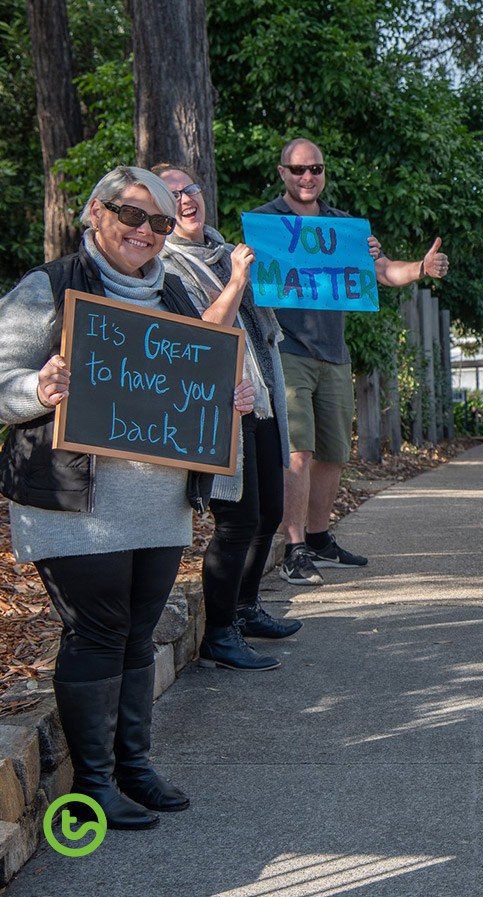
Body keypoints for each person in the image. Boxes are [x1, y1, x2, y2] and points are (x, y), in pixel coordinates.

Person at [0, 167, 254, 829]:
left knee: (138, 632)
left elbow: (197, 382)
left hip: (157, 501)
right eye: (131, 215)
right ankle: (94, 784)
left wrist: (232, 399)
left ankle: (133, 768)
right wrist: (40, 390)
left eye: (160, 222)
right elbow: (3, 383)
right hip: (73, 502)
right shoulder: (49, 287)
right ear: (94, 212)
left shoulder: (172, 293)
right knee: (99, 630)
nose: (145, 230)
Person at [251, 138, 450, 586]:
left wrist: (421, 267)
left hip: (334, 354)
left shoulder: (343, 227)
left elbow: (382, 272)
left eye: (315, 169)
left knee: (334, 454)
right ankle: (294, 548)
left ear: (324, 174)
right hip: (285, 350)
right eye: (298, 169)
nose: (307, 177)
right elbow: (247, 276)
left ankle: (320, 539)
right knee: (297, 451)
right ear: (282, 172)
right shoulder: (265, 223)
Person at [154, 163, 301, 673]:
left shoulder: (224, 249)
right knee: (236, 522)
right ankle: (218, 633)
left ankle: (245, 608)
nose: (185, 200)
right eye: (171, 195)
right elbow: (200, 333)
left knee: (268, 515)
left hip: (258, 396)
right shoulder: (165, 268)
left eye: (189, 188)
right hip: (220, 405)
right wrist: (238, 278)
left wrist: (357, 261)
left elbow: (285, 293)